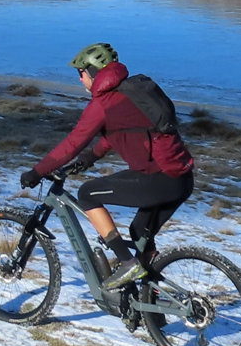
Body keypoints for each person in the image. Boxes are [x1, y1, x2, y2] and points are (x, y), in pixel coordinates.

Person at [20, 41, 195, 286]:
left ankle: (127, 264)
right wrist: (91, 157)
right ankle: (151, 309)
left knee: (87, 194)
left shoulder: (102, 104)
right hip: (183, 179)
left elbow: (71, 144)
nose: (80, 80)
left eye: (80, 74)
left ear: (92, 72)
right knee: (139, 233)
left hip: (159, 179)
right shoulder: (131, 89)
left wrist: (37, 171)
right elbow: (125, 131)